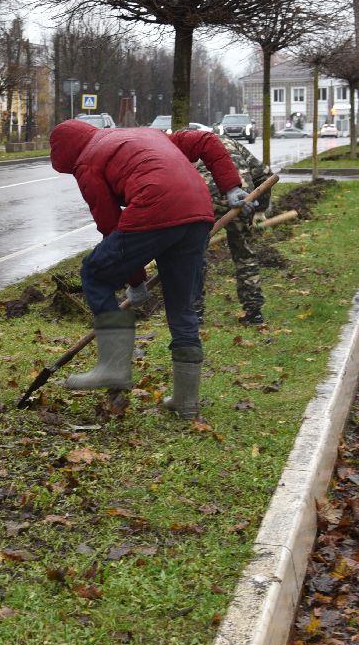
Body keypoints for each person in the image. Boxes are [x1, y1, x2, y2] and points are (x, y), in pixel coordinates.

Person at [49, 119, 247, 420]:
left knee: (94, 273)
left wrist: (135, 281)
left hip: (155, 204)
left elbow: (109, 224)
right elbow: (207, 141)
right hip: (198, 210)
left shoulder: (87, 162)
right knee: (182, 307)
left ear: (67, 155)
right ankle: (186, 402)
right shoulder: (149, 133)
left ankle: (114, 367)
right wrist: (231, 187)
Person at [197, 134, 271, 327]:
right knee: (244, 253)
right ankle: (254, 312)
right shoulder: (231, 143)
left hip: (204, 198)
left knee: (194, 256)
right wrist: (260, 210)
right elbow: (263, 174)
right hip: (242, 195)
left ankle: (193, 314)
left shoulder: (183, 146)